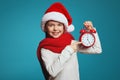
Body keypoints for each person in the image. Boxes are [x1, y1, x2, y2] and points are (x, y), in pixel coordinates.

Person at [37, 2, 102, 80]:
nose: (55, 29)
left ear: (64, 27)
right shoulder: (45, 48)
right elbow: (52, 72)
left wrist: (92, 32)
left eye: (59, 25)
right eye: (51, 25)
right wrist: (69, 50)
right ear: (45, 28)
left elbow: (97, 50)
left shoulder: (71, 42)